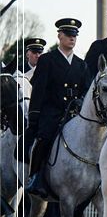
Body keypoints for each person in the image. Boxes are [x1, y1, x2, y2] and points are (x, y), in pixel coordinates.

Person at [25, 18, 91, 198]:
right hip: (51, 112)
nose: (72, 39)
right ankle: (36, 176)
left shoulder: (80, 63)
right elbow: (38, 91)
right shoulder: (47, 60)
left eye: (75, 36)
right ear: (60, 36)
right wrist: (35, 117)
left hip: (73, 114)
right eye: (69, 35)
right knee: (44, 138)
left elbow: (86, 89)